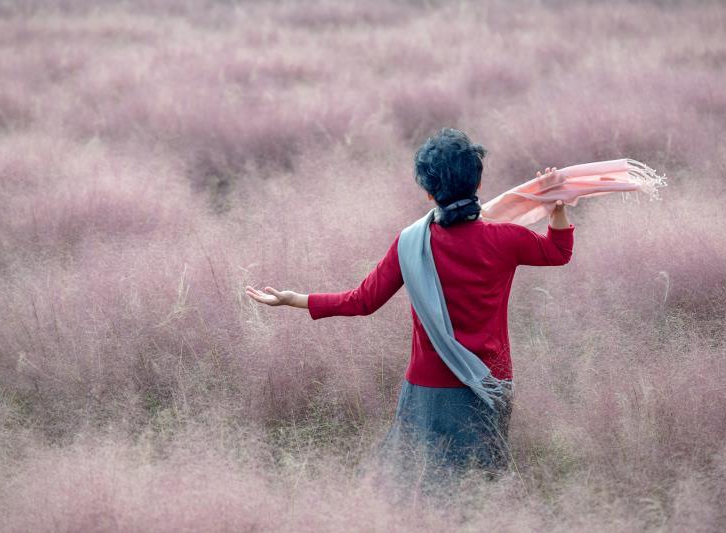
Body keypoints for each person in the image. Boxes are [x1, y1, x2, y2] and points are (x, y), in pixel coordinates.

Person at [244, 128, 574, 490]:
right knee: (481, 485)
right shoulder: (505, 238)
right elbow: (558, 252)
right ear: (478, 183)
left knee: (414, 484)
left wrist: (295, 298)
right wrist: (556, 207)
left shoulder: (411, 243)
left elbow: (362, 301)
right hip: (488, 382)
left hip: (428, 387)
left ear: (429, 192)